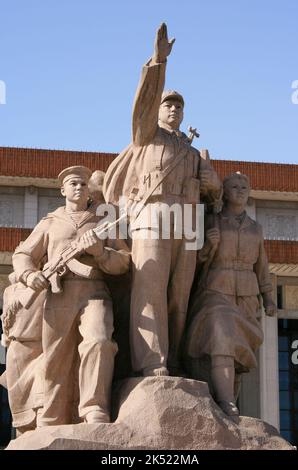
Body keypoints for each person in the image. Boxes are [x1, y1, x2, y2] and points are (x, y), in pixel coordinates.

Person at [103, 23, 222, 377]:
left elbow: (212, 192)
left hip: (186, 222)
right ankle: (151, 362)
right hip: (152, 215)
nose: (173, 110)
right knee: (150, 288)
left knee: (178, 297)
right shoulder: (146, 135)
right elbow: (144, 102)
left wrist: (210, 180)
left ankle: (174, 360)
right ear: (157, 111)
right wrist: (158, 62)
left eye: (178, 107)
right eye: (168, 105)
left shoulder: (191, 151)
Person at [12, 165, 130, 426]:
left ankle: (94, 408)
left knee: (99, 341)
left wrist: (100, 252)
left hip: (94, 291)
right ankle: (52, 415)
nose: (79, 188)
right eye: (74, 183)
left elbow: (123, 262)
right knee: (56, 358)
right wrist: (30, 275)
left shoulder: (103, 221)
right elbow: (22, 255)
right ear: (63, 189)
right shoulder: (51, 222)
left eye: (84, 184)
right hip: (58, 295)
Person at [184, 172, 276, 416]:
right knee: (222, 338)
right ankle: (226, 402)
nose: (240, 190)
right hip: (217, 288)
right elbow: (192, 263)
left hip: (247, 294)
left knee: (238, 353)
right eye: (234, 186)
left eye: (244, 186)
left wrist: (267, 296)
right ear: (225, 192)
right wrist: (207, 247)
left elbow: (262, 265)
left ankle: (225, 402)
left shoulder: (256, 228)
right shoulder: (212, 221)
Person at [1, 271, 46, 434]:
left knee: (42, 396)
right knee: (21, 413)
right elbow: (6, 323)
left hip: (41, 349)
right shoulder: (9, 291)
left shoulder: (47, 284)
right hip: (17, 351)